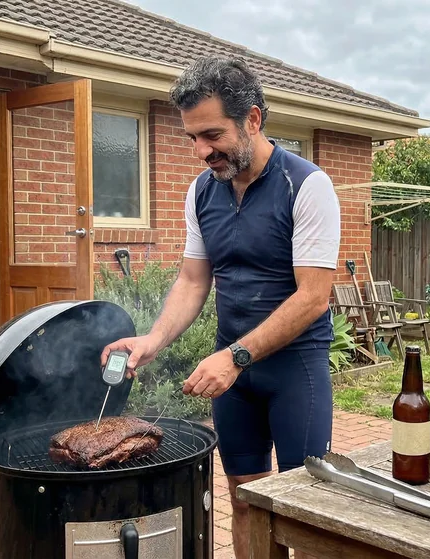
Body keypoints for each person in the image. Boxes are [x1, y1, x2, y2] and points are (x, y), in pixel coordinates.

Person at [101, 54, 340, 558]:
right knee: (246, 501)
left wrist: (236, 357)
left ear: (252, 119)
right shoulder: (201, 191)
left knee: (309, 512)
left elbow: (314, 296)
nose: (200, 150)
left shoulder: (308, 186)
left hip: (295, 371)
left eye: (212, 135)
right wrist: (152, 339)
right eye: (192, 137)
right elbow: (192, 280)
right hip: (233, 379)